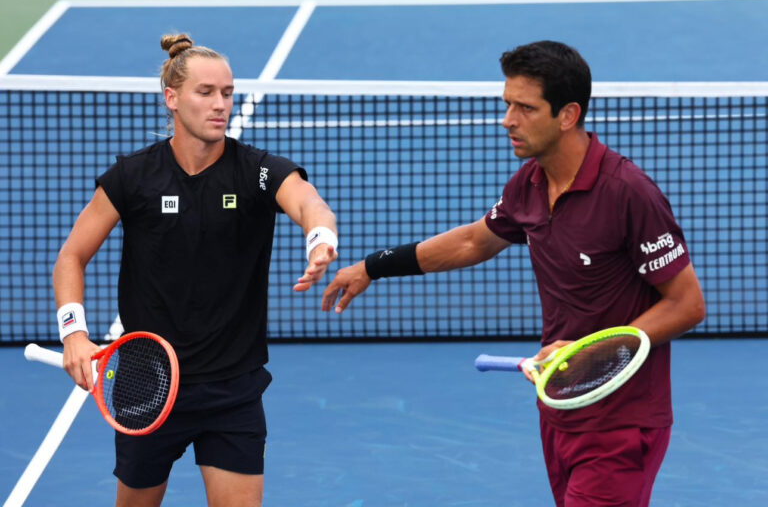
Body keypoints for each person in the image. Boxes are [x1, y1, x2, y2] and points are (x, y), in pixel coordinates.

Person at [321, 40, 705, 507]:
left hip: (620, 422)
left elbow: (687, 305)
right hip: (560, 406)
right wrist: (372, 267)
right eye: (507, 105)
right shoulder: (530, 182)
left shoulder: (628, 193)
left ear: (567, 115)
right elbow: (473, 241)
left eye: (525, 108)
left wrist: (591, 349)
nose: (508, 120)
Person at [54, 34, 337, 507]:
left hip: (232, 387)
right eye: (205, 92)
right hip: (149, 382)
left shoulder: (257, 172)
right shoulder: (133, 176)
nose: (220, 104)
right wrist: (73, 334)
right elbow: (71, 256)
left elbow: (310, 204)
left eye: (227, 93)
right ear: (172, 98)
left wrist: (320, 238)